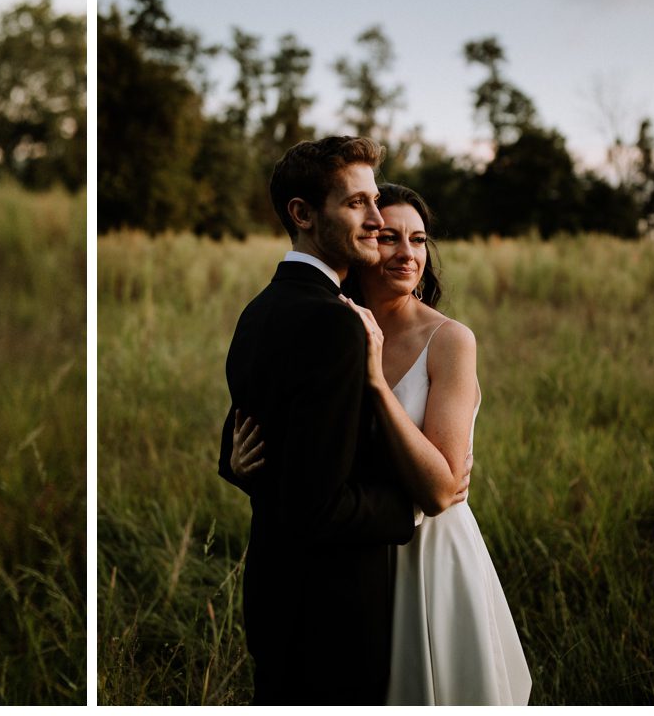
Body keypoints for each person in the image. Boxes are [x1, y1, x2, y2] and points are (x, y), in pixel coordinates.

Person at [228, 182, 530, 704]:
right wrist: (236, 459)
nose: (408, 254)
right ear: (363, 244)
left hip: (427, 554)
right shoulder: (331, 322)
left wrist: (375, 382)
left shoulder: (450, 340)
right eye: (390, 237)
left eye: (418, 239)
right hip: (349, 553)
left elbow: (439, 492)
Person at [214, 135, 419, 703]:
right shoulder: (334, 324)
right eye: (356, 203)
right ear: (303, 214)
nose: (377, 219)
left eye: (375, 201)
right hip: (334, 609)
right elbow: (319, 506)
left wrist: (233, 464)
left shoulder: (259, 309)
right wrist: (412, 506)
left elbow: (256, 428)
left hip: (274, 594)